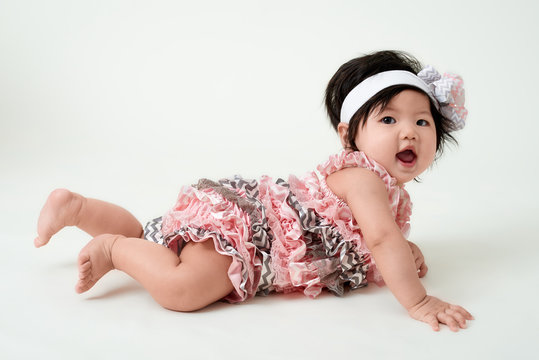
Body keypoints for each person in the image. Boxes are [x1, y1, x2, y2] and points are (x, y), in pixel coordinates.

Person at [34, 50, 473, 331]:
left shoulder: (383, 190)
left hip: (247, 229)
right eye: (389, 120)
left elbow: (372, 239)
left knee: (149, 240)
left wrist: (404, 249)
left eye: (422, 121)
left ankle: (78, 209)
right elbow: (379, 238)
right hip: (251, 239)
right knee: (181, 290)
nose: (409, 133)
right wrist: (417, 301)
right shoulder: (361, 177)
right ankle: (111, 249)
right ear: (348, 136)